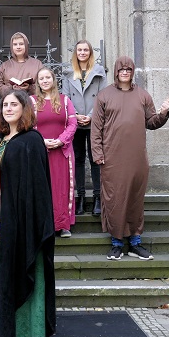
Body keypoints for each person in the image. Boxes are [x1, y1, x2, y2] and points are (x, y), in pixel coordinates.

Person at [0, 90, 55, 337]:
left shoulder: (31, 140)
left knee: (24, 276)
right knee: (4, 277)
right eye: (5, 105)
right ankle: (5, 333)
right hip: (1, 223)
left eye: (14, 104)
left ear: (25, 109)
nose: (8, 108)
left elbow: (36, 189)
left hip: (25, 224)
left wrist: (29, 223)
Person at [90, 56, 169, 261]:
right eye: (121, 69)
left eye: (128, 69)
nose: (125, 72)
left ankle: (135, 243)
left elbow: (151, 122)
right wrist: (97, 153)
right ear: (116, 72)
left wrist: (163, 113)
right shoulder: (104, 95)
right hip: (112, 157)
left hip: (136, 158)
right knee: (115, 199)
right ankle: (116, 243)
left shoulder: (143, 95)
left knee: (135, 199)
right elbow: (96, 128)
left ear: (132, 72)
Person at [62, 39, 107, 216]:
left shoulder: (99, 72)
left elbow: (102, 97)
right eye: (79, 50)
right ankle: (80, 197)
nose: (82, 53)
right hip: (75, 122)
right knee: (78, 160)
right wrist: (75, 116)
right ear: (76, 53)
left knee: (95, 159)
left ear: (90, 53)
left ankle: (97, 197)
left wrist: (89, 115)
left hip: (93, 121)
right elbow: (65, 98)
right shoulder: (68, 74)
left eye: (85, 50)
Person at [33, 67, 77, 238]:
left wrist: (60, 140)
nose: (44, 81)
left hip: (62, 152)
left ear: (53, 80)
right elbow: (28, 125)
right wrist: (41, 141)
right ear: (38, 82)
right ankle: (44, 225)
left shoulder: (65, 101)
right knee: (43, 188)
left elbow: (72, 124)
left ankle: (63, 224)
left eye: (47, 78)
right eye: (41, 78)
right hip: (41, 151)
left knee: (62, 187)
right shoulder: (32, 101)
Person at [0, 32, 43, 98]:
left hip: (32, 101)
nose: (18, 47)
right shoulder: (5, 66)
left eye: (21, 44)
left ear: (26, 45)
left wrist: (29, 87)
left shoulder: (37, 64)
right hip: (11, 102)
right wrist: (11, 88)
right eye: (15, 44)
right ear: (12, 47)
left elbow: (42, 84)